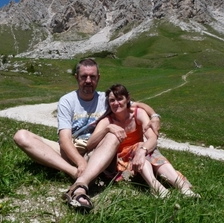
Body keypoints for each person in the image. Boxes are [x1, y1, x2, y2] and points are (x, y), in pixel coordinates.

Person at [13, 59, 160, 183]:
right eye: (84, 77)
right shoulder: (67, 101)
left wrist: (154, 115)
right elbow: (64, 140)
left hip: (96, 150)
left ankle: (81, 170)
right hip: (71, 149)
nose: (88, 81)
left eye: (92, 77)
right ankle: (73, 171)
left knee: (112, 135)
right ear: (77, 77)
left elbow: (134, 105)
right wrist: (79, 162)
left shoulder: (106, 99)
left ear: (98, 78)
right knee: (21, 136)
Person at [65, 84, 200, 211]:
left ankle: (176, 187)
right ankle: (163, 185)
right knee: (142, 148)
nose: (116, 103)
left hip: (140, 156)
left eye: (119, 99)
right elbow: (90, 144)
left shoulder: (138, 114)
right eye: (112, 100)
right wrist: (107, 129)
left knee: (145, 149)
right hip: (120, 161)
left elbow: (152, 138)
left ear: (127, 98)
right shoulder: (107, 120)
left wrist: (142, 150)